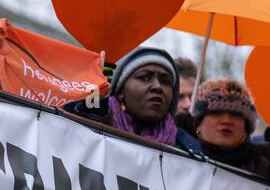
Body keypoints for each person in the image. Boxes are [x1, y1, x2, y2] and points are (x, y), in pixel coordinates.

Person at [63, 47, 202, 154]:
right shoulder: (88, 122)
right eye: (145, 78)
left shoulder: (189, 149)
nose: (158, 87)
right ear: (121, 91)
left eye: (165, 81)